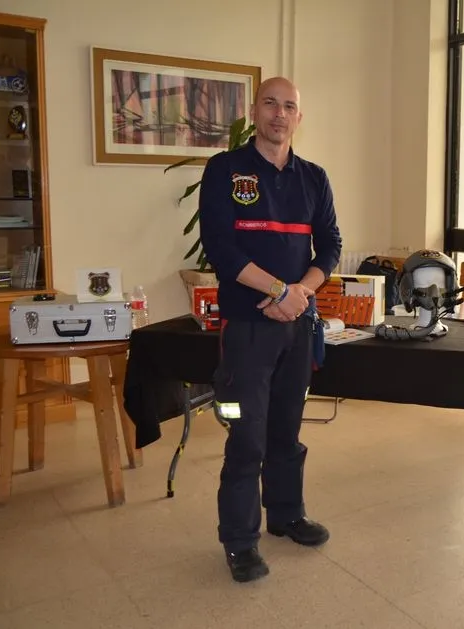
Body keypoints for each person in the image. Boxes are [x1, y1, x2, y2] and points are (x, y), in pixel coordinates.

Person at [198, 76, 342, 583]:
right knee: (247, 436)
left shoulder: (313, 178)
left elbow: (330, 245)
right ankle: (240, 541)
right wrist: (280, 291)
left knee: (286, 429)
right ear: (254, 111)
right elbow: (221, 248)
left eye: (289, 106)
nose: (280, 114)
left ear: (299, 117)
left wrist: (299, 293)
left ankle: (286, 515)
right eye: (270, 104)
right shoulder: (224, 170)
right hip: (247, 329)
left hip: (297, 327)